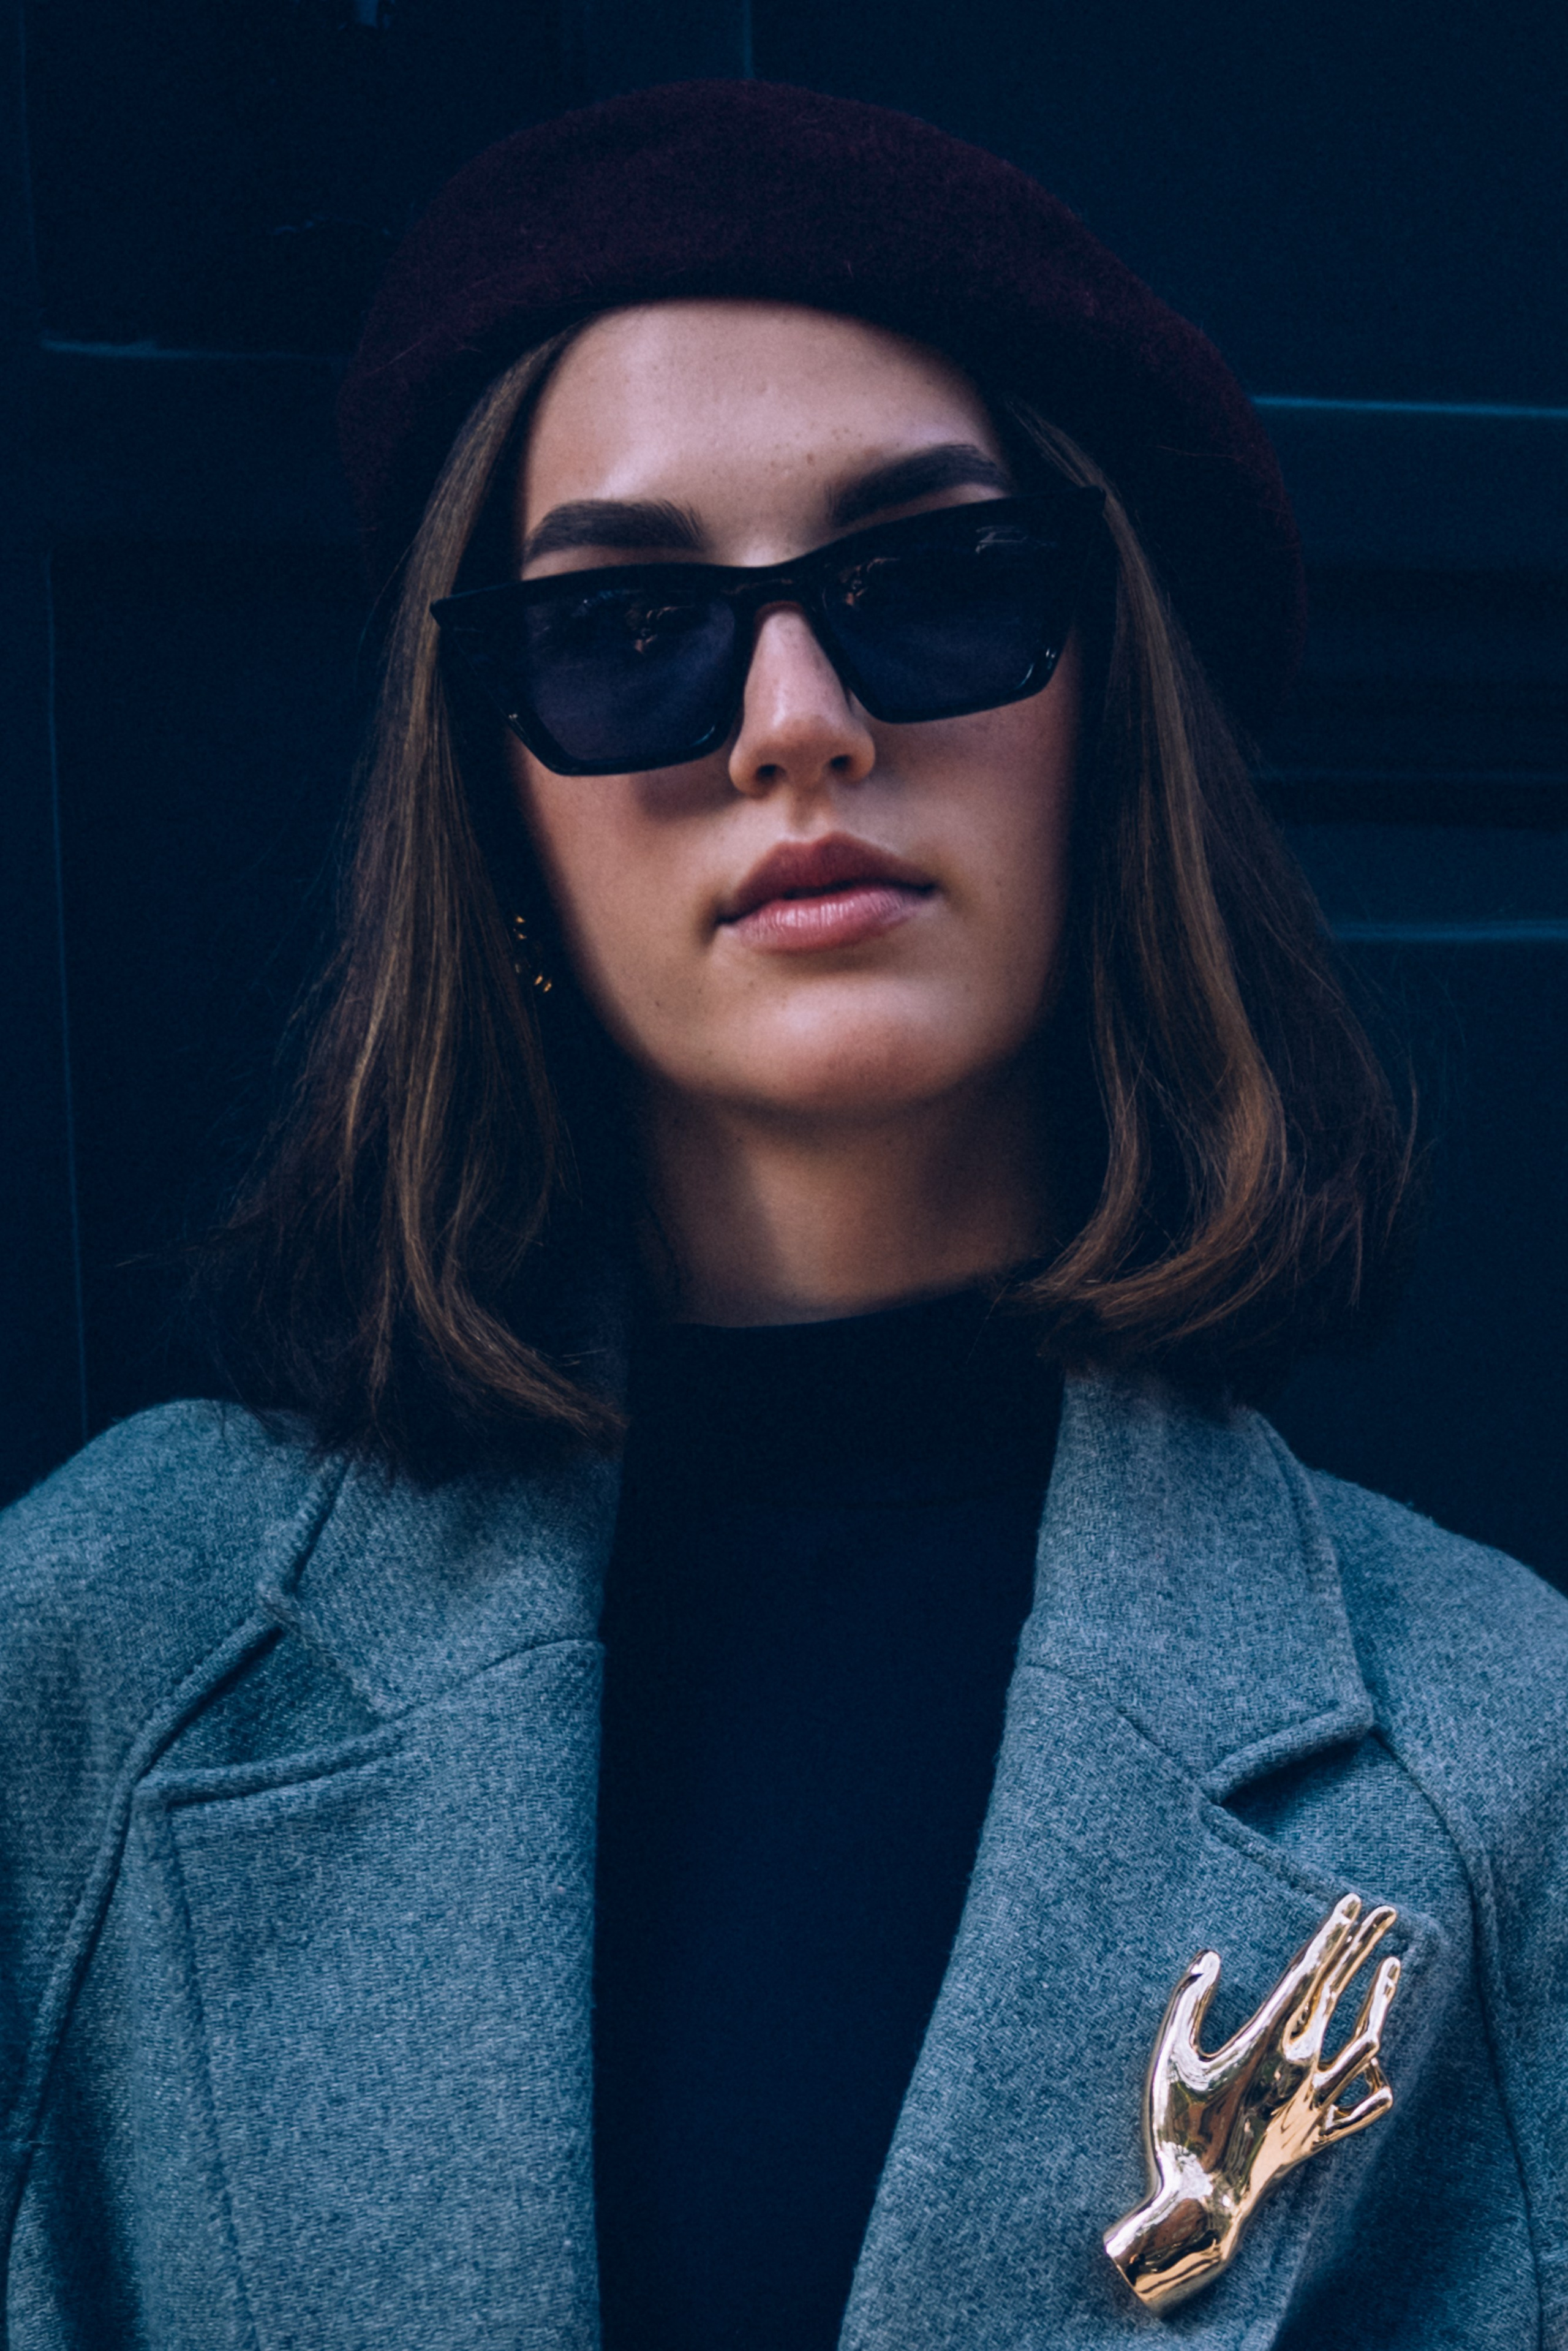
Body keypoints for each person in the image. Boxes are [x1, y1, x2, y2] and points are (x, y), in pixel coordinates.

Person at [1, 79, 1563, 2351]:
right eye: (629, 629)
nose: (797, 723)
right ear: (496, 798)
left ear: (1113, 706)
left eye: (931, 587)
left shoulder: (1502, 1769)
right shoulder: (97, 1663)